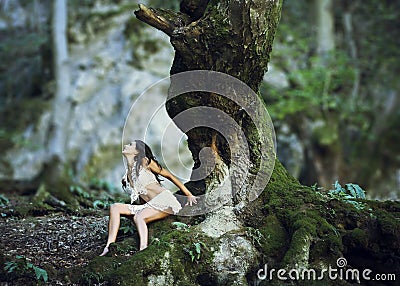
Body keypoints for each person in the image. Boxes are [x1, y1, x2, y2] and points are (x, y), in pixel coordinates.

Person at [100, 140, 197, 256]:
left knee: (139, 217)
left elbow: (169, 176)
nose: (126, 145)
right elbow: (142, 196)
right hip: (149, 205)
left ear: (137, 151)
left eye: (130, 145)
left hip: (164, 201)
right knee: (115, 207)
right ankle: (108, 246)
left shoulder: (145, 161)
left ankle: (143, 249)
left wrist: (189, 194)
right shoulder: (128, 173)